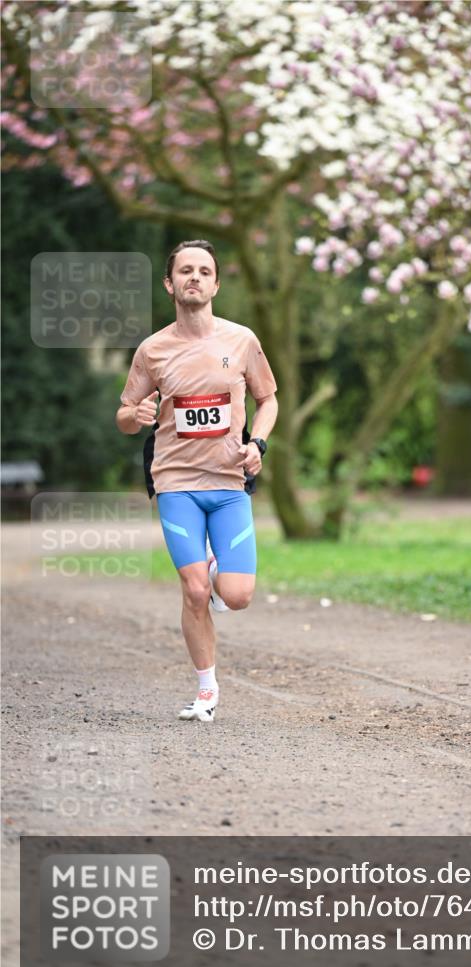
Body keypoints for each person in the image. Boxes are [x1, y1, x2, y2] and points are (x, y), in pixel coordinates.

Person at [116, 240, 278, 722]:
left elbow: (268, 400)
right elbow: (125, 413)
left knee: (238, 597)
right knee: (192, 591)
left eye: (204, 271)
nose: (195, 277)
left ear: (216, 284)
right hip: (175, 482)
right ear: (170, 284)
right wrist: (135, 415)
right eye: (185, 270)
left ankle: (213, 569)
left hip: (228, 484)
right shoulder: (153, 349)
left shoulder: (241, 340)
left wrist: (258, 443)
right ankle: (206, 690)